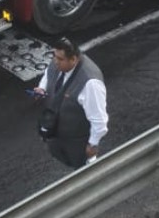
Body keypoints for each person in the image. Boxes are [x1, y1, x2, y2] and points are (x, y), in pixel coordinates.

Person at [33, 37, 108, 169]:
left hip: (76, 143)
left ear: (73, 59)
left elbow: (99, 121)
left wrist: (92, 144)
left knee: (81, 170)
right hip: (59, 134)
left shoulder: (90, 84)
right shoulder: (58, 61)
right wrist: (42, 88)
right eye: (54, 56)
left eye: (60, 59)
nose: (55, 61)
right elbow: (48, 74)